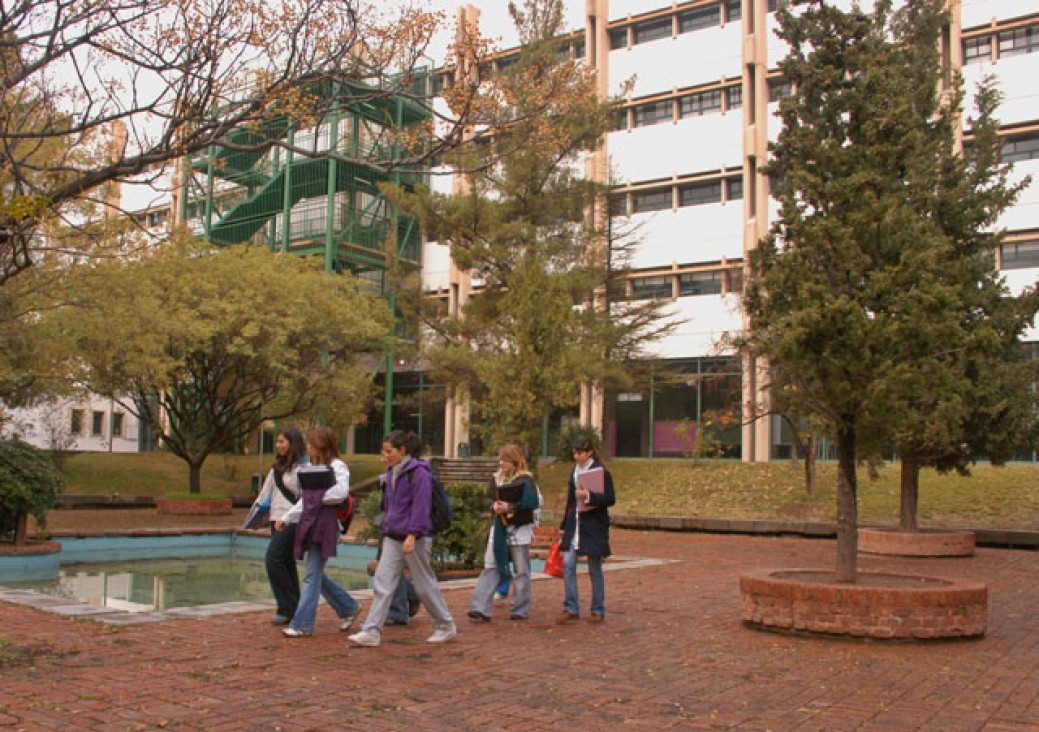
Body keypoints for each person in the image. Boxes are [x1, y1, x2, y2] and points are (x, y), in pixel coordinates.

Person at [348, 430, 457, 646]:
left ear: (403, 451)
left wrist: (412, 534)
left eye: (389, 451)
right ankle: (371, 631)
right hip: (393, 535)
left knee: (424, 584)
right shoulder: (392, 474)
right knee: (383, 581)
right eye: (383, 452)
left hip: (414, 537)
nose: (384, 456)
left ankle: (446, 624)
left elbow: (421, 506)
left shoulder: (419, 474)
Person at [275, 427, 361, 637]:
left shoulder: (337, 466)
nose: (310, 448)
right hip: (312, 522)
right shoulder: (316, 466)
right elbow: (306, 499)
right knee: (314, 574)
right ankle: (347, 606)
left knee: (312, 575)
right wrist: (287, 518)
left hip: (325, 524)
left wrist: (316, 498)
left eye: (313, 444)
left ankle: (302, 624)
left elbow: (339, 493)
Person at [467, 443, 539, 622]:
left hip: (518, 529)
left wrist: (510, 507)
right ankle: (480, 607)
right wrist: (494, 505)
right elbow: (488, 497)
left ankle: (520, 608)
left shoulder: (526, 480)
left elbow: (531, 503)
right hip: (499, 527)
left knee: (521, 570)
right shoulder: (496, 478)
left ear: (515, 461)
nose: (502, 463)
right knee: (491, 565)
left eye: (506, 460)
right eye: (500, 460)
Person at [251, 426, 308, 625]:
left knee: (273, 560)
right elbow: (264, 494)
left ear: (293, 443)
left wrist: (290, 515)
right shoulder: (276, 468)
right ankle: (293, 607)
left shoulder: (303, 468)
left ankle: (287, 606)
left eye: (282, 441)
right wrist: (255, 517)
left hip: (292, 521)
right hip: (275, 520)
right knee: (285, 562)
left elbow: (307, 498)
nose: (278, 445)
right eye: (278, 442)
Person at [557, 436, 616, 625]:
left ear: (589, 452)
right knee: (568, 562)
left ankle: (598, 608)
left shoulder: (601, 472)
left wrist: (589, 496)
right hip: (575, 523)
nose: (577, 457)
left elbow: (610, 498)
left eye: (580, 453)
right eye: (574, 453)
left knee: (594, 566)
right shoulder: (574, 471)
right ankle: (571, 607)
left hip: (593, 525)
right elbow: (570, 501)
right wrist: (563, 526)